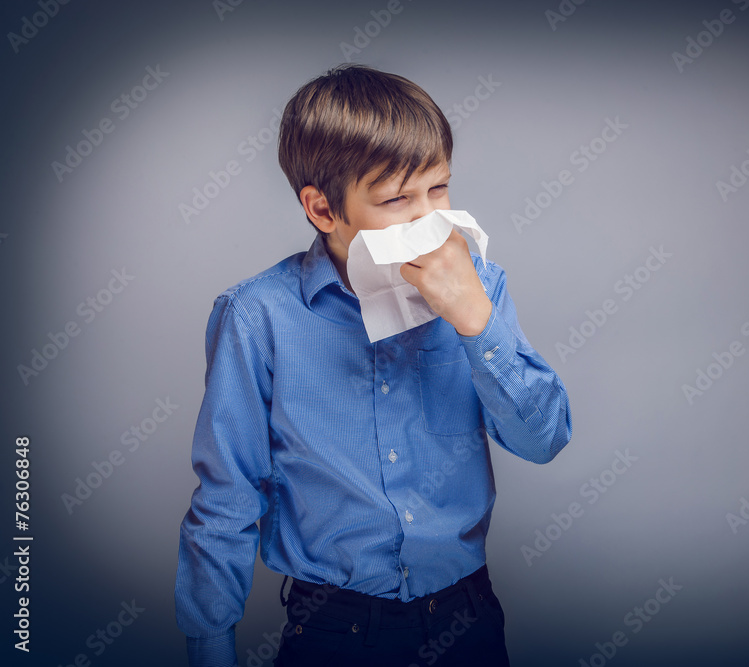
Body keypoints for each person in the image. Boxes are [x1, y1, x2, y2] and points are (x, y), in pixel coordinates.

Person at [174, 63, 572, 667]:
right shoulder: (258, 315)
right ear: (323, 209)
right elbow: (227, 496)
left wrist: (475, 322)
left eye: (438, 189)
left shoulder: (479, 285)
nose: (427, 219)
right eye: (396, 199)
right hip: (333, 630)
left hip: (467, 618)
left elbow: (543, 441)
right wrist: (209, 649)